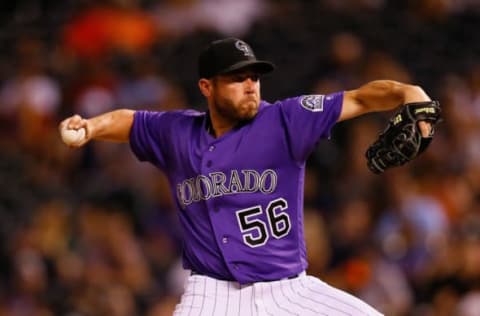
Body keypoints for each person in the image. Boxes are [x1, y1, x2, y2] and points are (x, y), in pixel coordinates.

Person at [59, 37, 434, 315]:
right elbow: (128, 120)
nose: (251, 84)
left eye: (254, 76)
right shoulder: (176, 132)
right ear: (207, 87)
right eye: (237, 78)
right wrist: (91, 126)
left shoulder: (286, 119)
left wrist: (408, 92)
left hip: (290, 291)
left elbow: (362, 98)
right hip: (212, 295)